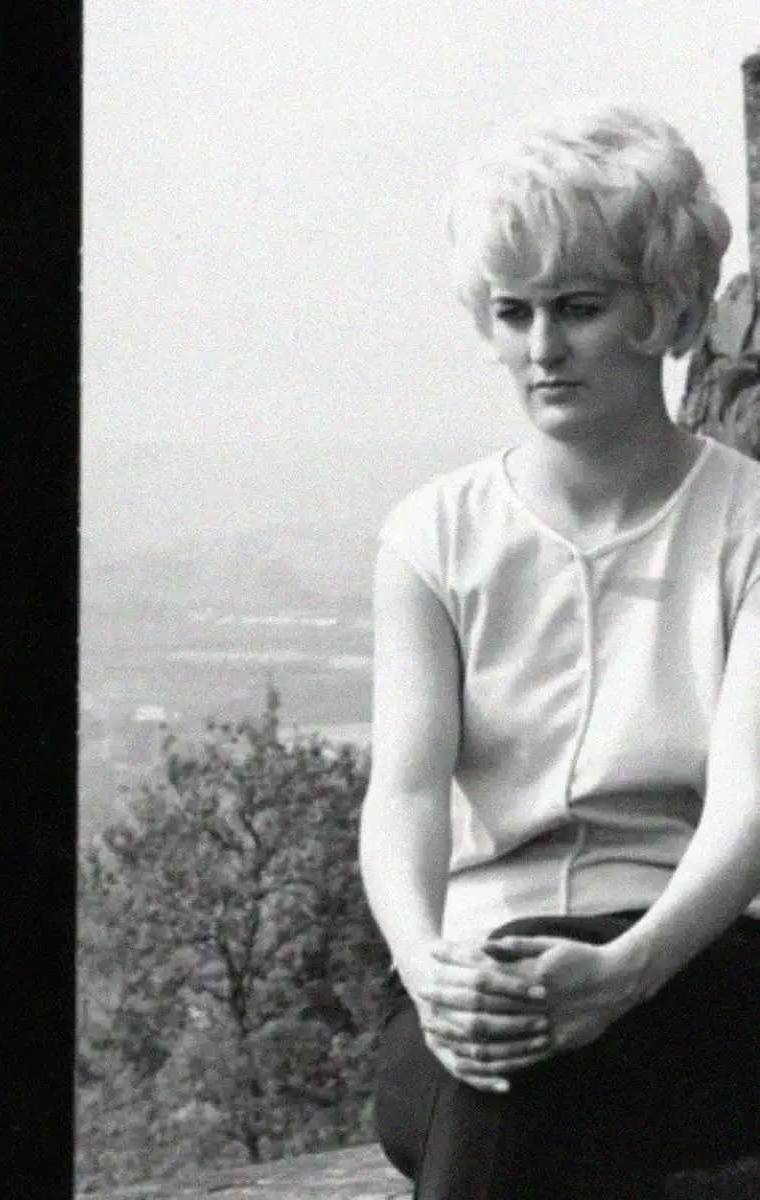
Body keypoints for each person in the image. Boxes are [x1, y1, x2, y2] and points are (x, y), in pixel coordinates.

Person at [358, 103, 760, 1200]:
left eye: (579, 308)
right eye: (513, 311)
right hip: (470, 975)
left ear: (666, 308)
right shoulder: (429, 539)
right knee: (509, 1054)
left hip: (698, 968)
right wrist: (426, 973)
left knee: (516, 1085)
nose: (540, 349)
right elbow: (402, 798)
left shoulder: (749, 526)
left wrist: (622, 972)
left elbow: (747, 811)